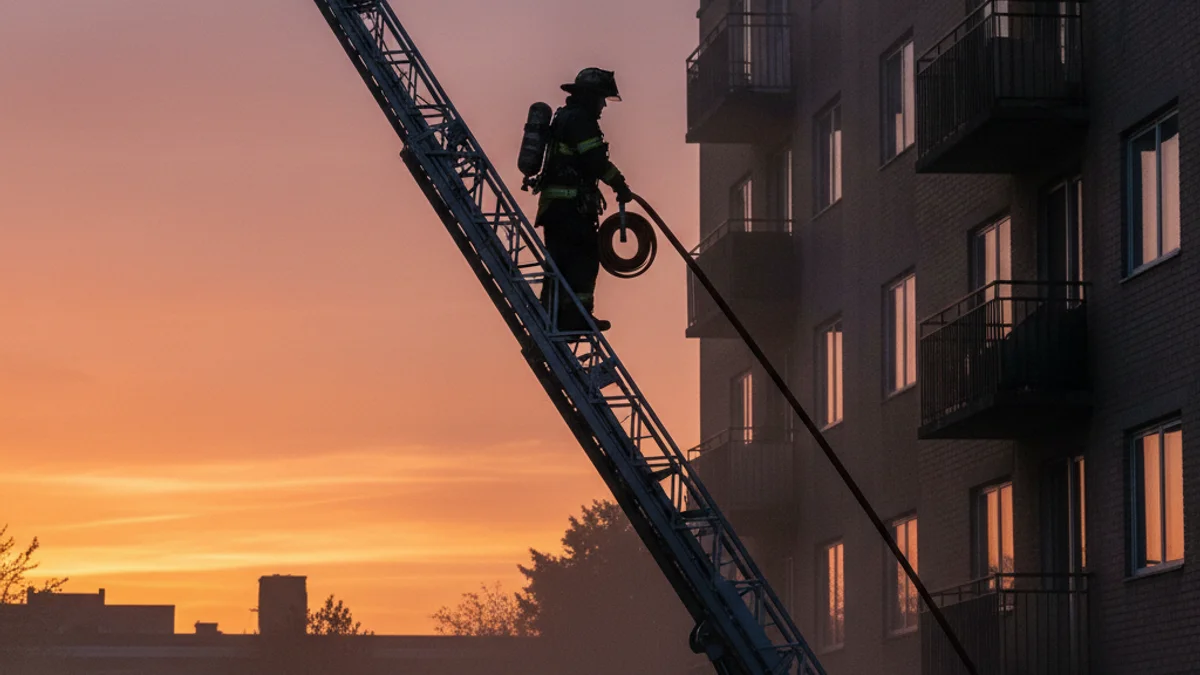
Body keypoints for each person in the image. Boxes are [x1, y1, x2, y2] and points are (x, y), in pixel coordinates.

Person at [534, 67, 634, 332]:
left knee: (559, 264)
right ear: (590, 96)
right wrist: (620, 184)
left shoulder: (566, 117)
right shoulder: (581, 120)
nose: (603, 105)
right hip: (571, 209)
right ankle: (577, 316)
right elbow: (594, 161)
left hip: (556, 208)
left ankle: (553, 315)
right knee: (584, 260)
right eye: (601, 99)